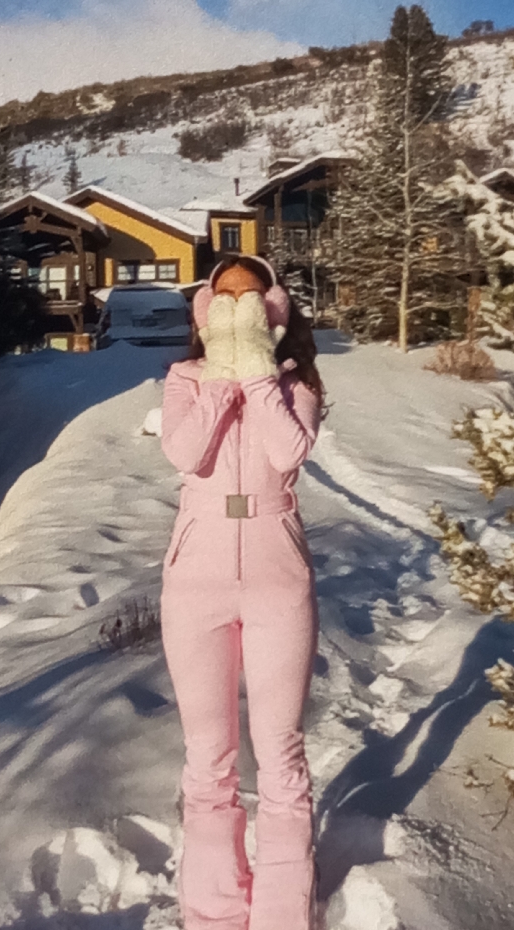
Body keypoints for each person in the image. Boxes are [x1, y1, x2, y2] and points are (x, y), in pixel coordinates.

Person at [160, 254, 324, 930]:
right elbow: (185, 454)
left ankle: (284, 915)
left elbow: (288, 452)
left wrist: (256, 370)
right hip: (194, 578)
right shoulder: (183, 379)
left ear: (273, 308)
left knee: (280, 751)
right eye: (222, 299)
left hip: (276, 574)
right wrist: (220, 378)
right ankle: (214, 913)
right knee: (208, 758)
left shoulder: (295, 382)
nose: (235, 310)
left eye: (248, 298)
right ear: (205, 312)